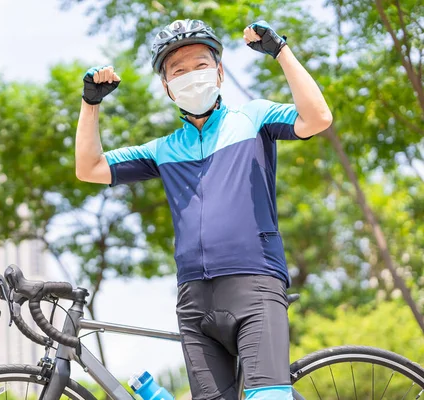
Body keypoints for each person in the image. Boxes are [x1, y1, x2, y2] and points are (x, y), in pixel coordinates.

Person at [75, 19, 332, 400]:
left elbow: (317, 118)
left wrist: (280, 51)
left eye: (200, 65)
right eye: (178, 71)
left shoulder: (253, 118)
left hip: (255, 284)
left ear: (220, 72)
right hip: (194, 301)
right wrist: (90, 104)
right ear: (166, 87)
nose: (191, 76)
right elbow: (89, 168)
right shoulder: (163, 149)